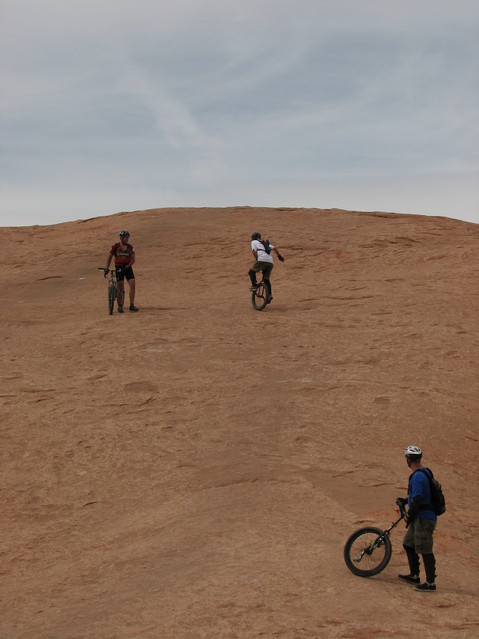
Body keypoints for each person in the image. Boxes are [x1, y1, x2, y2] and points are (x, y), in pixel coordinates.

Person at [398, 445, 437, 592]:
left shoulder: (418, 476)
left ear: (409, 460)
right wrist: (405, 500)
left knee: (425, 548)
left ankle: (430, 583)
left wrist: (409, 515)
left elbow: (419, 499)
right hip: (420, 517)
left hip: (424, 519)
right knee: (409, 544)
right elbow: (417, 497)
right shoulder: (425, 472)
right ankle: (414, 575)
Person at [105, 230, 139, 313]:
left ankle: (131, 305)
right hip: (119, 267)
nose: (127, 239)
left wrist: (128, 266)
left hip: (127, 268)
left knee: (132, 285)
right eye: (125, 237)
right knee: (120, 286)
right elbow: (109, 257)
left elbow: (133, 259)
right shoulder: (115, 246)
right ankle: (120, 306)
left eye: (128, 237)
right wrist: (107, 268)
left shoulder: (130, 247)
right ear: (121, 238)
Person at [248, 232, 284, 303]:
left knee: (251, 272)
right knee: (266, 279)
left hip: (262, 259)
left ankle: (254, 285)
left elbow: (253, 251)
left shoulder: (254, 242)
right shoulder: (264, 243)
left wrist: (257, 259)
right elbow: (275, 248)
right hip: (270, 262)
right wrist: (279, 256)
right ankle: (269, 295)